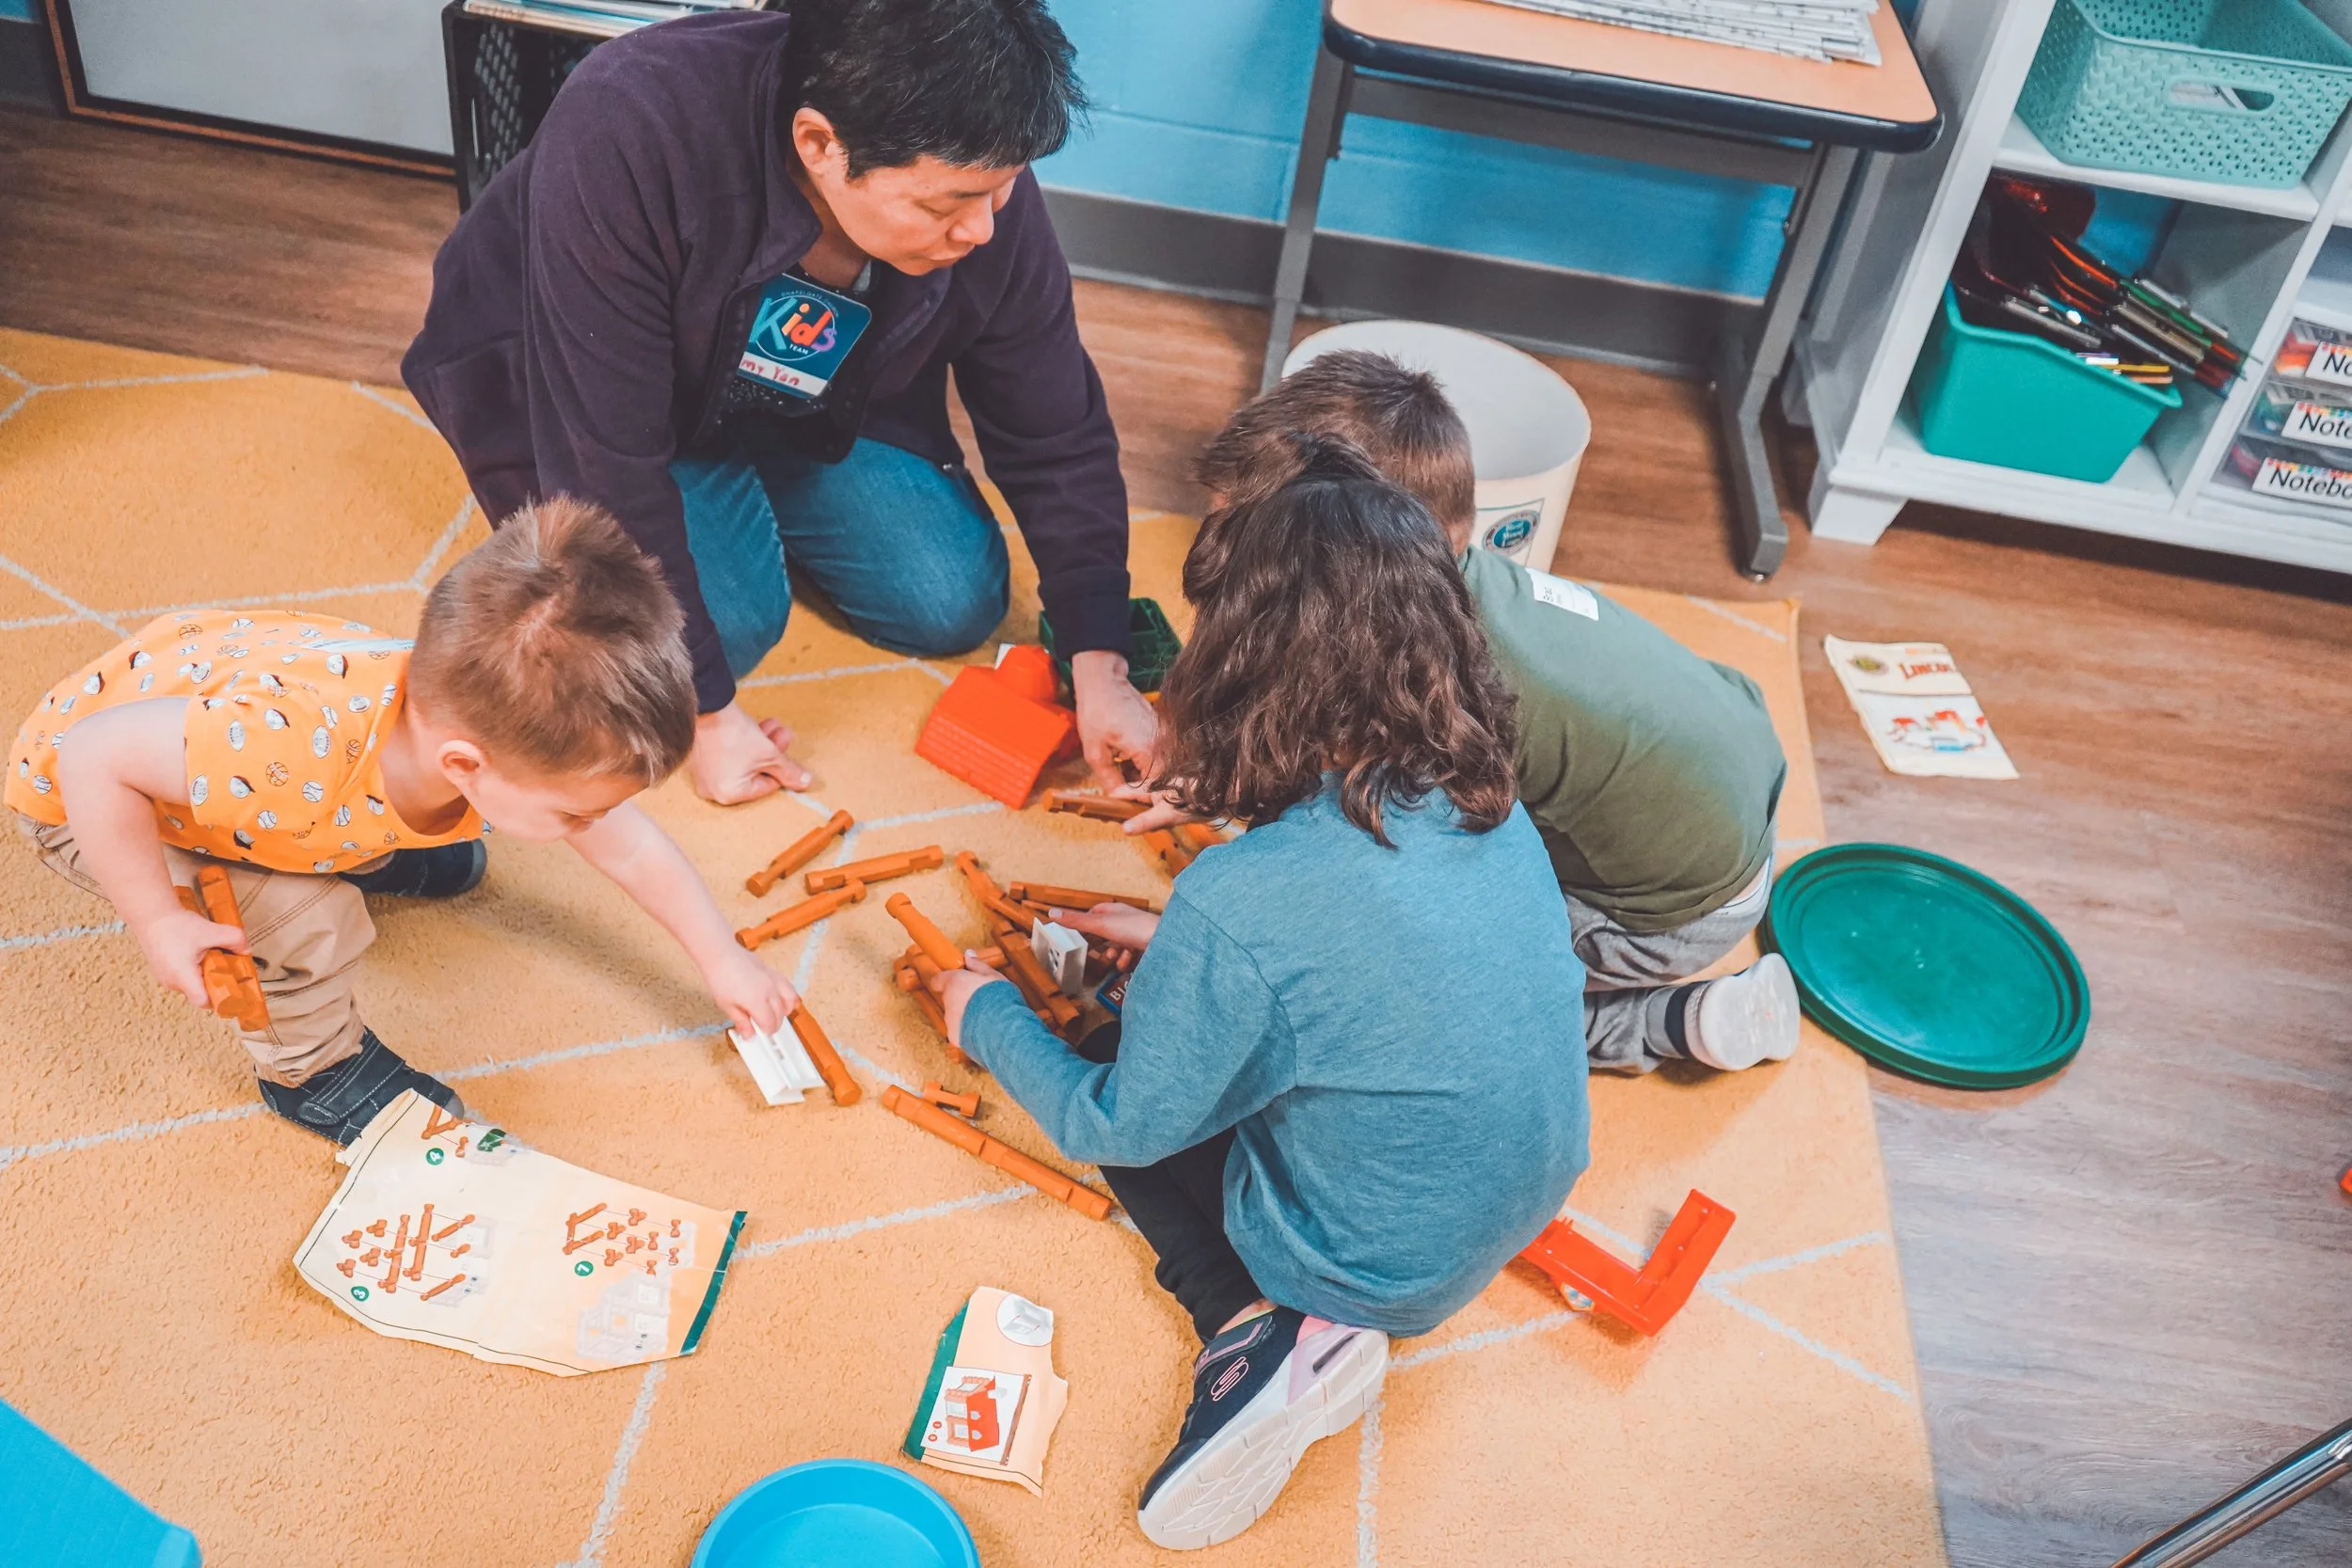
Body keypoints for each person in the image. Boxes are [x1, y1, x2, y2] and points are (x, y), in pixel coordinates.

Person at [932, 442, 1590, 1550]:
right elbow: (1367, 953)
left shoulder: (1239, 895)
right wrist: (1185, 944)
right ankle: (1293, 1321)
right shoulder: (1481, 792)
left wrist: (983, 1019)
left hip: (1370, 1259)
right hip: (1517, 1198)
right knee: (1196, 1031)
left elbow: (1121, 1119)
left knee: (1106, 1057)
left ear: (1247, 670)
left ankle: (1248, 1329)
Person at [403, 0, 1158, 810]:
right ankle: (717, 511)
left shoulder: (965, 155)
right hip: (610, 395)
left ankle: (740, 487)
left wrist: (1099, 654)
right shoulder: (628, 122)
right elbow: (603, 455)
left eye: (1000, 194)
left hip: (803, 392)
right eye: (944, 209)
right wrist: (708, 716)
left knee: (952, 600)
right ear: (820, 145)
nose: (981, 229)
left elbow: (1053, 421)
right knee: (720, 629)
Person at [4, 499, 793, 1144]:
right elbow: (91, 756)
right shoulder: (291, 751)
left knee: (377, 829)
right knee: (303, 915)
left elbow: (634, 850)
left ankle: (362, 848)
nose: (597, 824)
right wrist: (158, 920)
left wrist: (724, 961)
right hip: (92, 802)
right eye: (577, 810)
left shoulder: (460, 717)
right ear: (462, 767)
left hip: (236, 762)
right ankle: (312, 1073)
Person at [1184, 350, 1798, 1074]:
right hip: (1732, 778)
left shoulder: (1443, 684)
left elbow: (1374, 851)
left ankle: (1664, 1023)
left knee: (1396, 989)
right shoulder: (1448, 584)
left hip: (1671, 912)